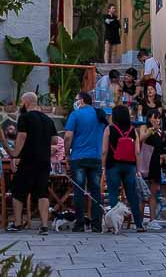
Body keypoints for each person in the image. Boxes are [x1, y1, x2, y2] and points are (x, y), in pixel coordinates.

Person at [7, 92, 58, 235]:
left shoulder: (25, 117)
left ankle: (17, 223)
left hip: (28, 160)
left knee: (18, 191)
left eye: (22, 103)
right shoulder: (48, 120)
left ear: (26, 103)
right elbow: (54, 140)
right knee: (42, 192)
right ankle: (43, 225)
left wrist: (15, 155)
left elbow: (22, 136)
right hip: (44, 160)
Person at [63, 91, 108, 232]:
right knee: (95, 191)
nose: (75, 102)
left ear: (81, 101)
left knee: (79, 191)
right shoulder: (100, 115)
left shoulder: (75, 115)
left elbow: (68, 136)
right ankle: (96, 224)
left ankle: (80, 223)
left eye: (76, 99)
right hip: (95, 157)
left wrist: (66, 154)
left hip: (79, 157)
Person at [102, 103, 146, 232]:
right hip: (130, 166)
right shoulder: (134, 131)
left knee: (113, 195)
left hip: (113, 165)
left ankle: (115, 225)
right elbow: (137, 152)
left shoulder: (109, 129)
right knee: (132, 196)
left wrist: (103, 167)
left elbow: (104, 150)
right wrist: (138, 169)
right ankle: (139, 224)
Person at [140, 109, 166, 230]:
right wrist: (152, 130)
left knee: (153, 193)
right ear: (149, 119)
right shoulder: (145, 127)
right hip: (145, 162)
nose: (157, 120)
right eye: (154, 118)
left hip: (155, 164)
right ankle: (139, 220)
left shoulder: (162, 133)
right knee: (142, 194)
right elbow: (141, 138)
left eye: (159, 118)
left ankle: (152, 220)